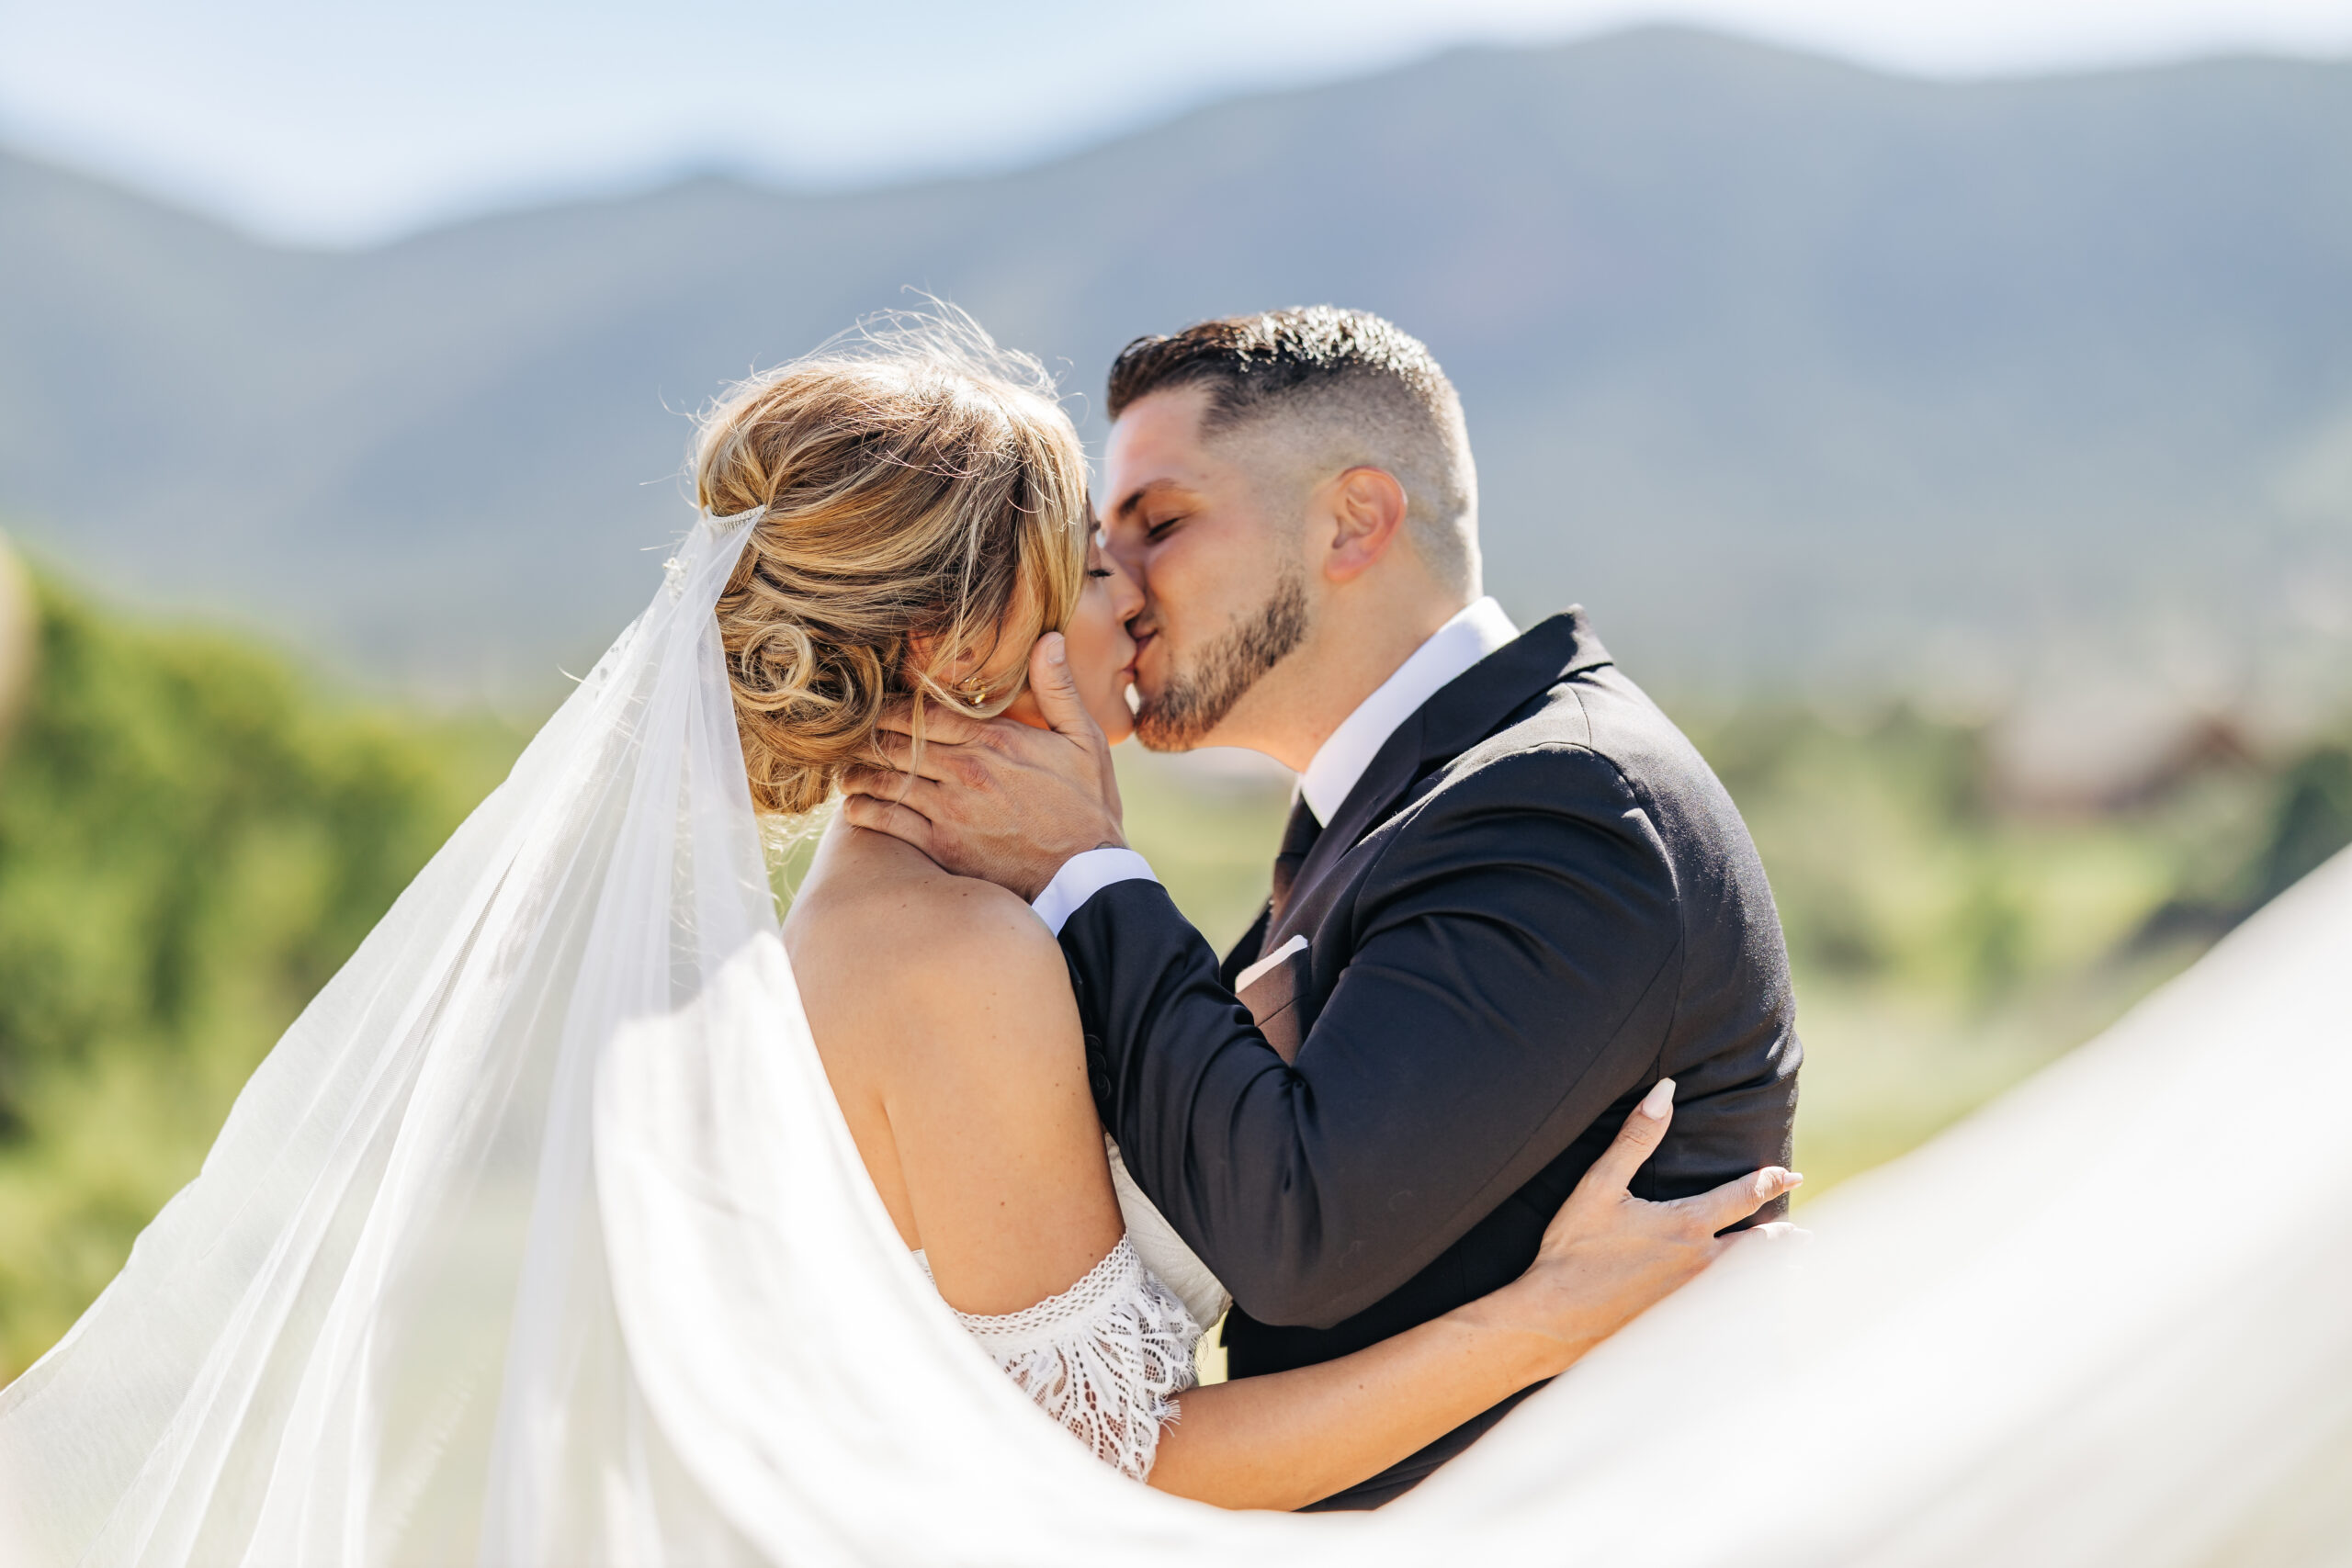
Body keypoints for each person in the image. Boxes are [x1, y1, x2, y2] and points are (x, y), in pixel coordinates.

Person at [716, 324, 1800, 1509]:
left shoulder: (1559, 805)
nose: (1131, 593)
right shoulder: (956, 948)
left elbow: (1280, 1219)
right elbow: (1105, 1460)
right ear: (957, 644)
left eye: (1159, 526)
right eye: (1091, 560)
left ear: (1353, 521)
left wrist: (1087, 864)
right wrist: (1541, 1323)